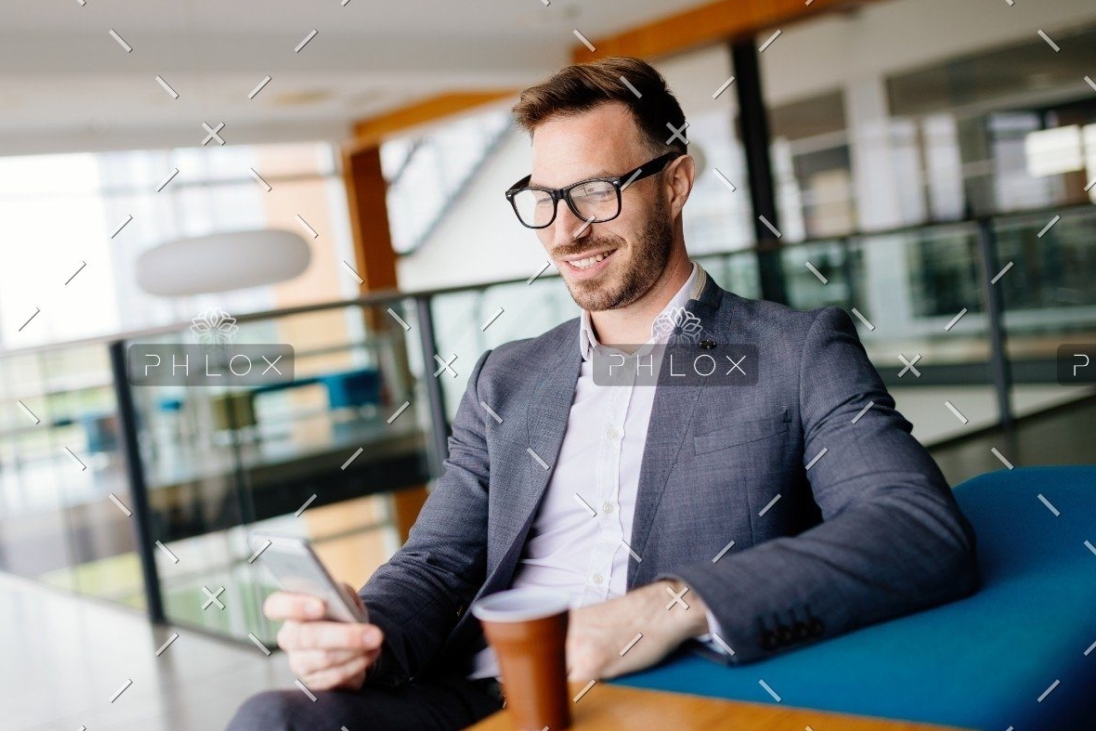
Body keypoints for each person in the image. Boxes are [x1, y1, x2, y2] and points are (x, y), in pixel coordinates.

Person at [227, 56, 979, 731]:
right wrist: (361, 632)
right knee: (272, 716)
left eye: (595, 191)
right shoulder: (508, 376)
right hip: (480, 690)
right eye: (544, 199)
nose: (566, 232)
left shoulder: (791, 350)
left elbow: (916, 529)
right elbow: (435, 563)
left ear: (676, 182)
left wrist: (667, 606)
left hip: (654, 691)